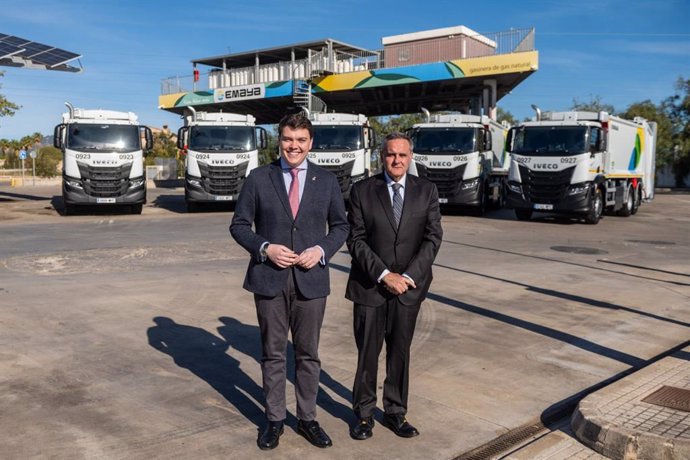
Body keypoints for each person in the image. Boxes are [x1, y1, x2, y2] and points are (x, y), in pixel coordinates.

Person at [229, 112, 349, 450]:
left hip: (311, 280)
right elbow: (239, 226)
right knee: (273, 353)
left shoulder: (326, 181)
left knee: (308, 354)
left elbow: (341, 226)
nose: (293, 146)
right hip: (269, 280)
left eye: (300, 140)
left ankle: (308, 419)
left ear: (311, 143)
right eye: (287, 139)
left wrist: (320, 251)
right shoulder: (258, 178)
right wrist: (265, 248)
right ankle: (274, 420)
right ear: (279, 141)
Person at [345, 132, 443, 440]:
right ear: (381, 156)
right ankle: (363, 415)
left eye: (402, 155)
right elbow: (356, 239)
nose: (396, 160)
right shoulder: (362, 191)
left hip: (409, 289)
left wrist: (409, 276)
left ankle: (396, 412)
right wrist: (384, 274)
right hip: (370, 287)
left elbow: (432, 237)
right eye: (390, 154)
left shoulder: (426, 191)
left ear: (410, 157)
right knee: (367, 354)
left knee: (400, 353)